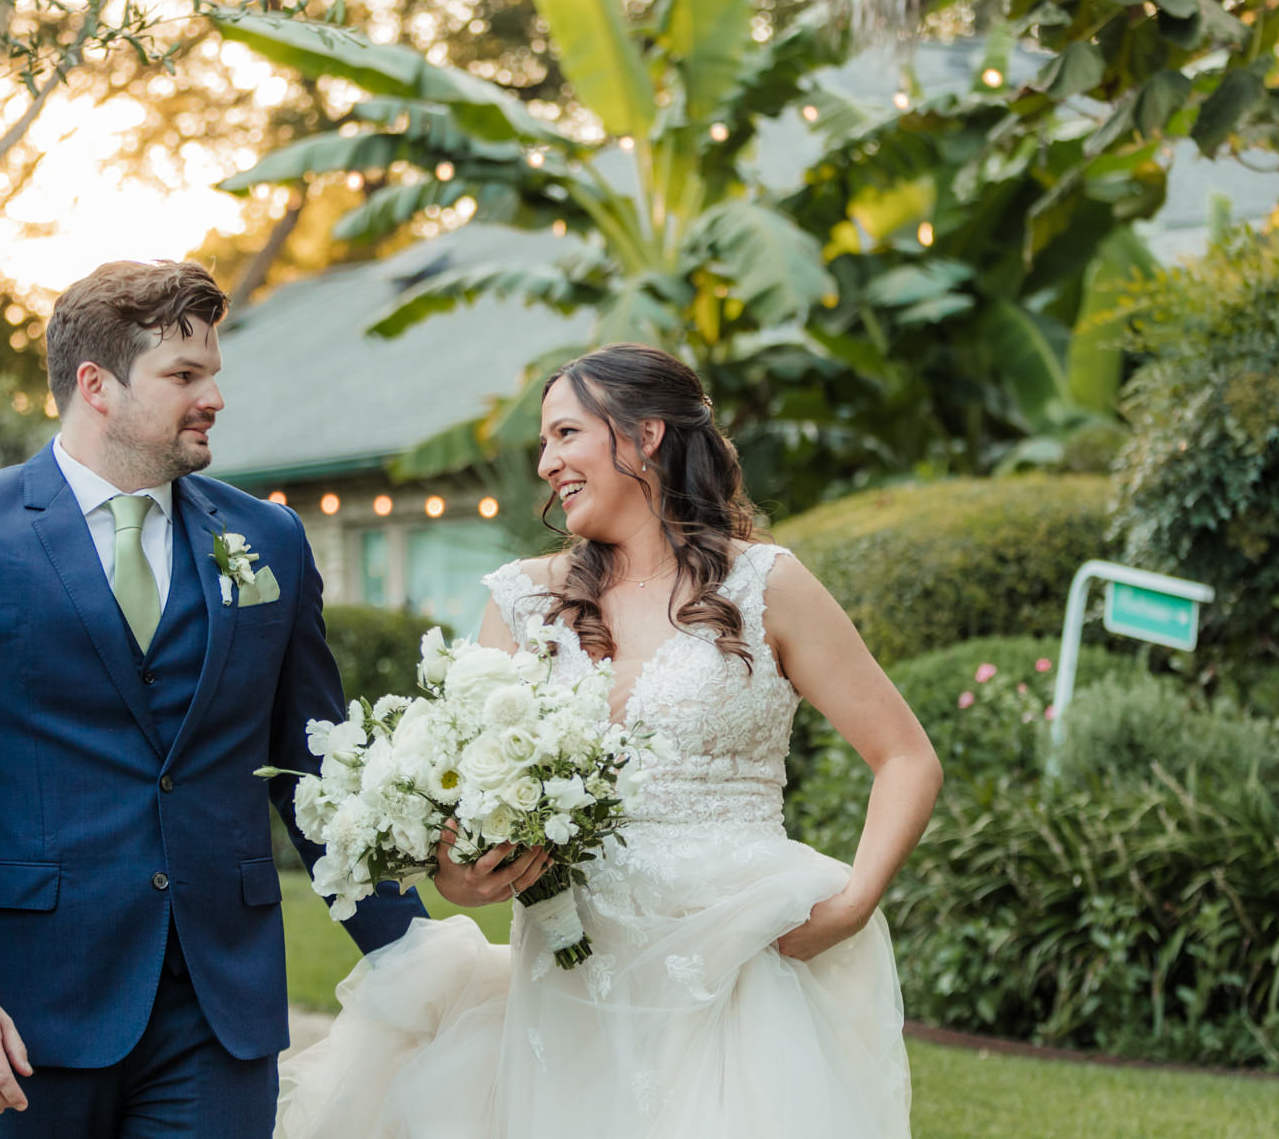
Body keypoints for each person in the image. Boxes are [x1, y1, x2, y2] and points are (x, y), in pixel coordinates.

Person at [276, 342, 941, 1138]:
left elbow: (906, 756)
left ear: (645, 434)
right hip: (569, 978)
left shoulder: (766, 585)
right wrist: (465, 873)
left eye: (566, 434)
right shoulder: (524, 600)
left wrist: (854, 901)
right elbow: (456, 808)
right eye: (546, 443)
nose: (548, 463)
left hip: (735, 972)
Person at [0, 259, 423, 1137]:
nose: (214, 398)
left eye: (214, 375)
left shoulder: (266, 536)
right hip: (25, 1010)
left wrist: (415, 953)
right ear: (98, 385)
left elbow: (313, 762)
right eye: (185, 376)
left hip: (218, 1006)